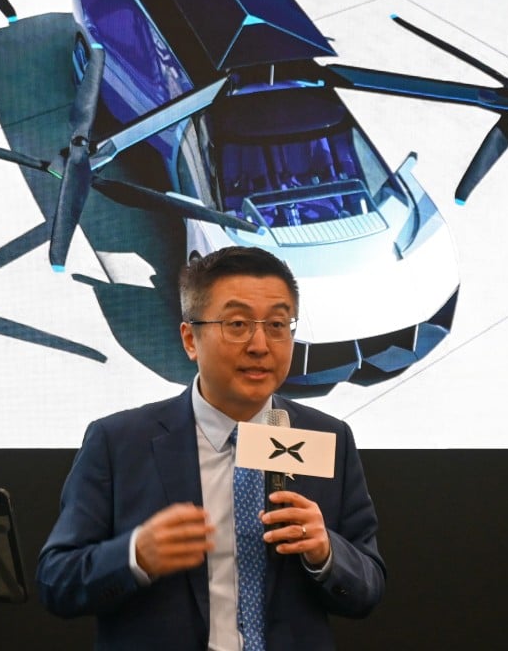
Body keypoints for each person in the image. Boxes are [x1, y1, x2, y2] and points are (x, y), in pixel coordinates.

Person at [36, 246, 385, 650]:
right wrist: (134, 556)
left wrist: (326, 553)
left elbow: (369, 585)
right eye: (237, 324)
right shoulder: (118, 442)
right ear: (190, 339)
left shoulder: (329, 438)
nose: (260, 344)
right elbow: (55, 580)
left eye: (277, 324)